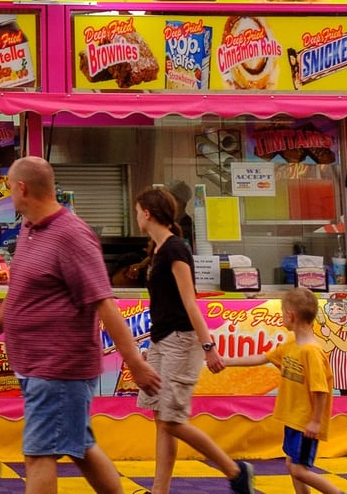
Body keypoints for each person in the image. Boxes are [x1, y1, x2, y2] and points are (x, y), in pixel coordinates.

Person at [0, 156, 161, 494]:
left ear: (22, 188)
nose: (8, 196)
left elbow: (103, 301)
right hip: (37, 365)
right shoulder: (30, 228)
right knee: (81, 447)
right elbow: (20, 288)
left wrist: (134, 363)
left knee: (38, 455)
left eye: (8, 189)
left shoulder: (71, 234)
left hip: (58, 366)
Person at [133, 187, 255, 494]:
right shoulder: (158, 250)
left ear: (147, 213)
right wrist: (150, 344)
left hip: (181, 340)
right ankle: (159, 489)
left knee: (173, 420)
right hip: (163, 340)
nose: (136, 217)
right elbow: (164, 303)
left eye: (137, 211)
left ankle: (234, 470)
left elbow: (190, 302)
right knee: (162, 419)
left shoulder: (175, 249)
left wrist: (208, 346)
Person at [225, 288, 342, 494]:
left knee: (299, 469)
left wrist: (315, 421)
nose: (281, 317)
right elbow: (261, 358)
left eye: (282, 312)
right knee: (292, 465)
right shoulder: (291, 346)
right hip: (294, 420)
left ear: (290, 315)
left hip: (306, 423)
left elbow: (321, 390)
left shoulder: (311, 352)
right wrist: (225, 362)